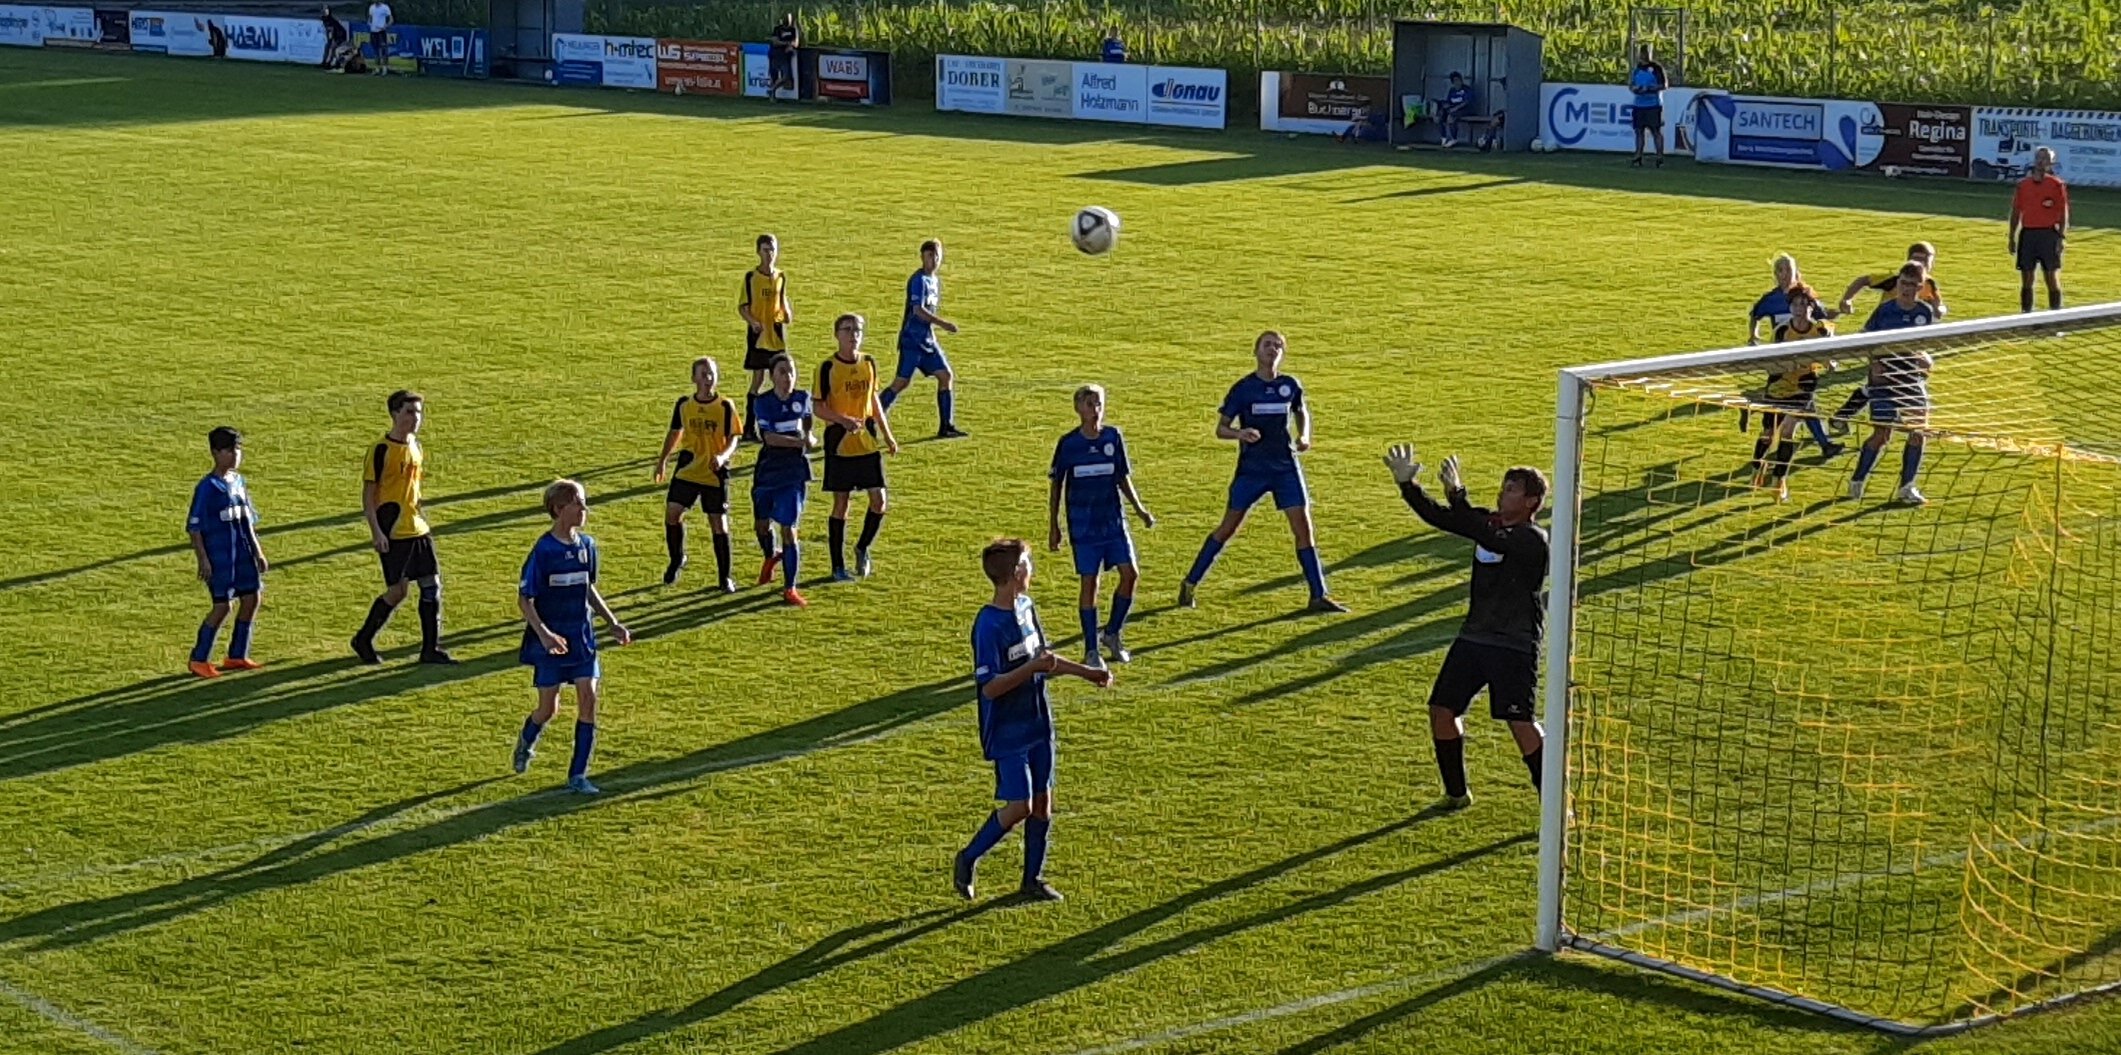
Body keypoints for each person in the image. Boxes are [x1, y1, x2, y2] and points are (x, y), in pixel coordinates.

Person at [1383, 446, 1550, 810]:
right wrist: (1408, 485)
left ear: (1531, 501)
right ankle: (1456, 794)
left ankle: (1555, 804)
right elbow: (1440, 518)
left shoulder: (1532, 539)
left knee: (1520, 724)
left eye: (1512, 489)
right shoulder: (1490, 524)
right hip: (1474, 637)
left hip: (1514, 644)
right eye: (1503, 486)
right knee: (1442, 710)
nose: (1503, 492)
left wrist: (1459, 496)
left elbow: (1488, 536)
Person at [953, 537, 1113, 903]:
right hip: (1008, 730)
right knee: (1019, 807)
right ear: (1013, 574)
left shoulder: (1026, 607)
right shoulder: (988, 626)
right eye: (1027, 564)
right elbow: (990, 688)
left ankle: (1031, 880)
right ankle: (968, 856)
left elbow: (1046, 659)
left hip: (1038, 721)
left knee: (1042, 803)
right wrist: (1030, 669)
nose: (1032, 569)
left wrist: (1088, 673)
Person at [1177, 331, 1348, 614]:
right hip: (1252, 470)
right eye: (1267, 344)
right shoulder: (1244, 389)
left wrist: (1304, 436)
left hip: (1285, 467)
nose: (1273, 349)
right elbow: (1221, 429)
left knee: (1304, 530)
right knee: (1228, 528)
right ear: (1256, 351)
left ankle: (1318, 595)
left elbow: (1300, 410)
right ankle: (1190, 582)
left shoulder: (1289, 385)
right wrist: (1240, 433)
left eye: (1278, 345)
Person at [511, 480, 632, 796]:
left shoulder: (587, 547)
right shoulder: (544, 551)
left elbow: (588, 589)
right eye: (578, 503)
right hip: (551, 643)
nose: (584, 509)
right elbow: (525, 600)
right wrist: (546, 635)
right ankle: (527, 739)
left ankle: (578, 775)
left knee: (589, 701)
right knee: (548, 709)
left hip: (581, 639)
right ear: (558, 509)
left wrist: (613, 623)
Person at [1048, 384, 1156, 670]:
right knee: (1090, 582)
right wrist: (1054, 526)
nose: (1095, 410)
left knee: (1130, 574)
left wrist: (1139, 509)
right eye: (1090, 404)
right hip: (1083, 525)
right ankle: (1091, 649)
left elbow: (1122, 477)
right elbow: (1057, 484)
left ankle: (1112, 633)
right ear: (1078, 409)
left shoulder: (1113, 437)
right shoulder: (1069, 444)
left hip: (1113, 521)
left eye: (1099, 404)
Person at [352, 390, 453, 665]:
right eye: (409, 412)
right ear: (395, 413)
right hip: (393, 531)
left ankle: (430, 649)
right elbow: (369, 493)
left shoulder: (416, 446)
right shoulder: (380, 449)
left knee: (432, 585)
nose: (416, 418)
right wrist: (376, 532)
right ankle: (363, 639)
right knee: (398, 592)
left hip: (417, 528)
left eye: (418, 412)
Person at [817, 313, 900, 580]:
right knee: (841, 504)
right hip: (839, 439)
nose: (853, 335)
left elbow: (873, 400)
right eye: (848, 329)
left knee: (879, 500)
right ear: (837, 334)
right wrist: (842, 420)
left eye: (858, 330)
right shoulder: (827, 367)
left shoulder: (868, 363)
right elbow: (818, 406)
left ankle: (862, 547)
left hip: (866, 439)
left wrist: (887, 435)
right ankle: (837, 566)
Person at [1847, 263, 1937, 505]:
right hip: (1884, 379)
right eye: (1903, 283)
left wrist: (1926, 360)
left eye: (1911, 285)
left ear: (1920, 287)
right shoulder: (1884, 311)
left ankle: (1907, 487)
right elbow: (1865, 340)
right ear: (1897, 284)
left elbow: (1925, 346)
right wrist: (1873, 362)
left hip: (1910, 379)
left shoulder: (1925, 313)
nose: (1906, 289)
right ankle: (1857, 479)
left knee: (1919, 431)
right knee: (1881, 435)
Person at [1830, 243, 1945, 432]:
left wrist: (1939, 309)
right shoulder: (1893, 279)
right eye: (1917, 259)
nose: (1921, 263)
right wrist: (1847, 299)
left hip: (1906, 344)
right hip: (1882, 336)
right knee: (1879, 380)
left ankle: (1848, 416)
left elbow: (1938, 303)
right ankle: (1846, 416)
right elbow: (1863, 280)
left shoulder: (1928, 284)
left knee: (1922, 365)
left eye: (1925, 260)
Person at [654, 357, 743, 592]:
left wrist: (723, 457)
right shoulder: (684, 404)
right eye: (703, 374)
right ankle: (677, 559)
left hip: (714, 471)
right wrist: (662, 460)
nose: (708, 379)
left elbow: (734, 437)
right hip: (689, 467)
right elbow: (675, 432)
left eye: (711, 374)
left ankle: (725, 577)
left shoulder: (724, 406)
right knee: (672, 514)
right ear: (693, 378)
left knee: (718, 524)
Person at [185, 427, 269, 678]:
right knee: (223, 606)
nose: (235, 455)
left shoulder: (238, 482)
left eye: (237, 449)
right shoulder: (207, 487)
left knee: (252, 599)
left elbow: (247, 520)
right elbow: (194, 526)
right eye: (229, 450)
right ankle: (199, 659)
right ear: (215, 453)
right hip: (220, 555)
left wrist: (258, 551)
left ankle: (237, 654)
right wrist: (203, 559)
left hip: (242, 553)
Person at [1751, 284, 1839, 502]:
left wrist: (1830, 363)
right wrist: (1781, 366)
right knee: (1768, 434)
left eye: (1804, 304)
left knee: (1789, 431)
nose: (1800, 309)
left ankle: (1779, 480)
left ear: (1811, 307)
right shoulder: (1781, 331)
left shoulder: (1818, 330)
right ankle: (1757, 467)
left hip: (1803, 386)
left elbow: (1827, 352)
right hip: (1779, 385)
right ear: (1790, 307)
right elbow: (1770, 363)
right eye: (1795, 304)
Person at [881, 239, 966, 438]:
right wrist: (943, 324)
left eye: (937, 255)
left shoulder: (934, 280)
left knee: (945, 376)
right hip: (912, 341)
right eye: (930, 256)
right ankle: (871, 417)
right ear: (922, 257)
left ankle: (946, 426)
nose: (934, 260)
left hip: (927, 340)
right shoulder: (918, 280)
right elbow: (918, 311)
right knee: (901, 383)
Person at [750, 353, 816, 607]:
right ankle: (770, 556)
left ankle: (790, 588)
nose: (788, 377)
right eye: (782, 372)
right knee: (761, 525)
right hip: (768, 468)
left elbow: (807, 416)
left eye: (791, 371)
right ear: (771, 376)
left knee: (789, 529)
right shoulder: (763, 403)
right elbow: (769, 438)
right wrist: (802, 441)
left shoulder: (802, 397)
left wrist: (809, 433)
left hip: (793, 471)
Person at [739, 233, 793, 441]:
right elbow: (743, 306)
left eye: (772, 249)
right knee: (758, 380)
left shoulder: (780, 276)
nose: (769, 254)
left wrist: (786, 313)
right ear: (758, 252)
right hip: (759, 336)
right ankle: (749, 426)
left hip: (776, 336)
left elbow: (782, 299)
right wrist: (753, 322)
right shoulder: (751, 278)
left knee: (780, 379)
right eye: (765, 250)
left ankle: (778, 425)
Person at [2009, 146, 2069, 313]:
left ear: (2051, 163)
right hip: (2028, 234)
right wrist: (2011, 237)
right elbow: (2016, 212)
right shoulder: (2023, 185)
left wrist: (2061, 237)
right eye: (2039, 158)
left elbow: (2063, 213)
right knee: (2027, 278)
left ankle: (2055, 316)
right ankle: (2026, 315)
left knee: (2051, 276)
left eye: (2045, 159)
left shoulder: (2057, 185)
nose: (2041, 161)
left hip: (2048, 234)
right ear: (2034, 160)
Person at [1629, 45, 1669, 167]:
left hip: (1653, 105)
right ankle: (1638, 155)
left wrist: (1650, 89)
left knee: (1656, 131)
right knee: (1639, 131)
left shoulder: (1656, 68)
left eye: (1646, 52)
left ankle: (1659, 157)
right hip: (1638, 105)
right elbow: (1631, 85)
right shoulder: (1636, 69)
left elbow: (1664, 85)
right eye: (1641, 52)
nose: (1643, 55)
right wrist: (1636, 89)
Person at [1434, 72, 1473, 148]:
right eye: (1455, 81)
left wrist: (1455, 108)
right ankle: (1443, 137)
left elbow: (1466, 102)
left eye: (1458, 80)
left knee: (1450, 118)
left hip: (1464, 110)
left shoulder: (1467, 90)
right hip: (1452, 109)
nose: (1457, 82)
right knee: (1439, 115)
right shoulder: (1452, 90)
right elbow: (1449, 102)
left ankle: (1454, 138)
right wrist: (1445, 106)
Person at [768, 13, 800, 100]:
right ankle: (772, 95)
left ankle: (772, 89)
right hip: (775, 54)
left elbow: (795, 43)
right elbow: (775, 42)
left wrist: (791, 46)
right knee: (774, 75)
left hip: (785, 56)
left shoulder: (793, 30)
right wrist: (787, 44)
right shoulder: (778, 29)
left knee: (786, 76)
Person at [364, 0, 391, 75]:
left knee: (383, 50)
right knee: (375, 50)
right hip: (373, 32)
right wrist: (369, 23)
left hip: (381, 32)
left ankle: (384, 68)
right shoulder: (371, 7)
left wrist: (385, 26)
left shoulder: (385, 7)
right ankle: (377, 68)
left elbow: (391, 20)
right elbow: (370, 18)